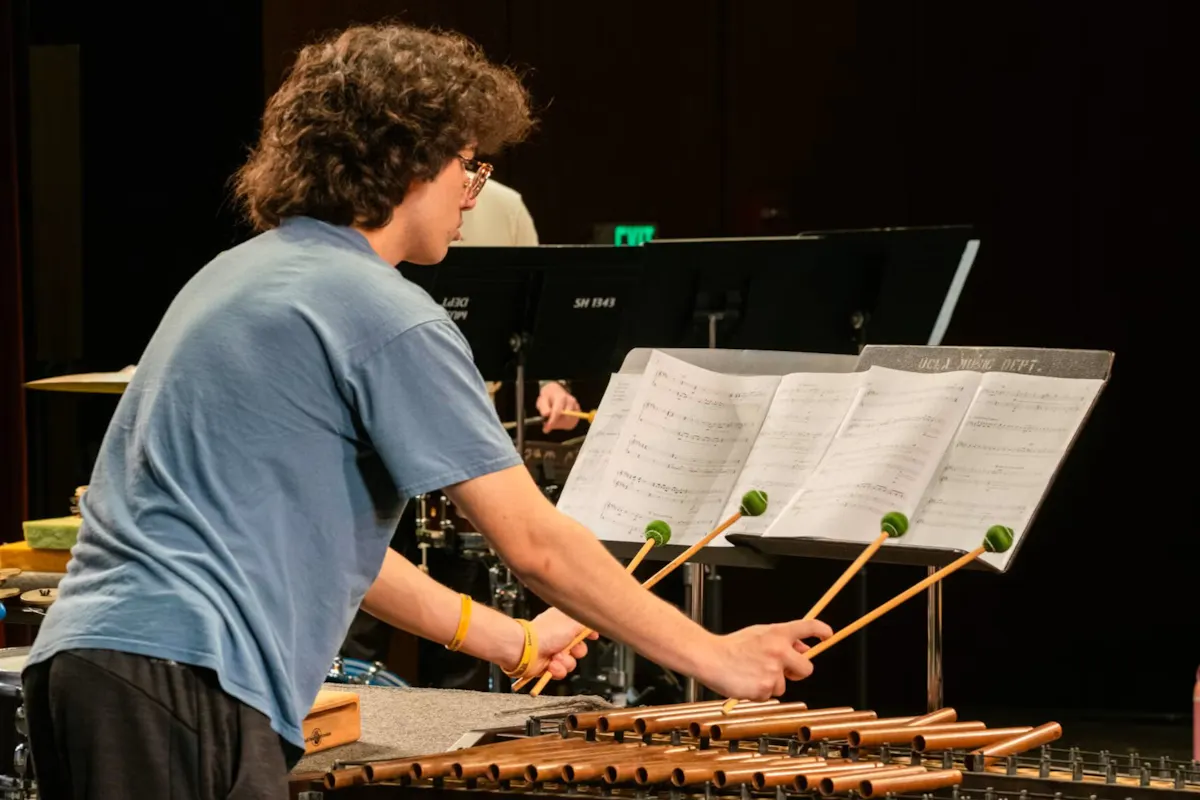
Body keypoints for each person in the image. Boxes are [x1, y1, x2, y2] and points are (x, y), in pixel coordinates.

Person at [20, 22, 832, 798]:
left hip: (96, 666)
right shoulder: (380, 308)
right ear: (406, 160)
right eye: (468, 165)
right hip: (184, 674)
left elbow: (345, 555)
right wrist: (714, 656)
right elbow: (536, 545)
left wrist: (514, 640)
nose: (475, 194)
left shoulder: (239, 274)